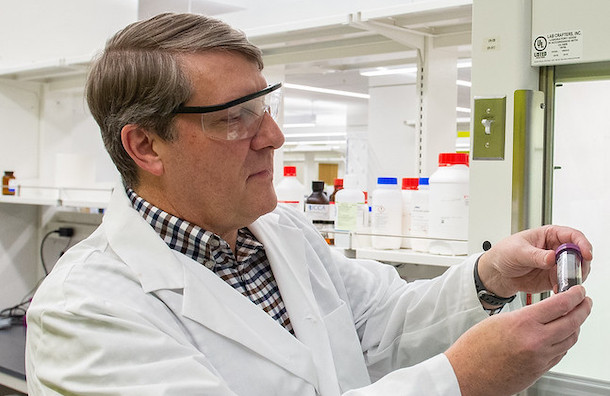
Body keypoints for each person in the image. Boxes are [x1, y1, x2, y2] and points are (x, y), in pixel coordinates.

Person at [25, 12, 593, 396]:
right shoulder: (86, 310)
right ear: (146, 145)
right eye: (235, 118)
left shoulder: (279, 233)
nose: (271, 136)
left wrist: (488, 278)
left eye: (265, 108)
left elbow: (382, 326)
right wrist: (460, 379)